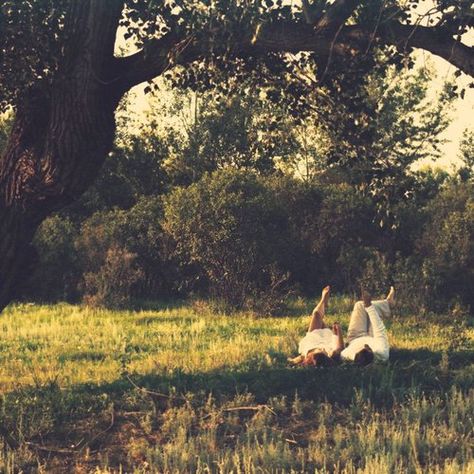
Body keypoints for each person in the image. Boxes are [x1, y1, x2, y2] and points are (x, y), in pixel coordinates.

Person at [289, 285, 344, 367]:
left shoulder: (304, 356)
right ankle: (324, 305)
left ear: (310, 357)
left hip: (313, 338)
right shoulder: (330, 354)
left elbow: (291, 361)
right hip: (327, 338)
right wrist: (338, 331)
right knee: (318, 317)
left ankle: (323, 301)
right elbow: (340, 348)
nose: (320, 349)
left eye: (317, 351)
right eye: (321, 351)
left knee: (316, 314)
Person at [340, 286, 395, 365]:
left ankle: (387, 304)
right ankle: (388, 304)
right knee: (372, 310)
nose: (366, 345)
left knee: (359, 305)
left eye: (364, 348)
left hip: (355, 337)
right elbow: (380, 329)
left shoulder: (347, 355)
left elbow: (342, 353)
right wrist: (369, 306)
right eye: (368, 348)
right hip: (374, 337)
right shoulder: (382, 352)